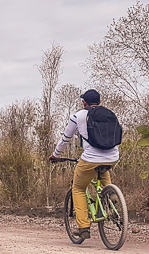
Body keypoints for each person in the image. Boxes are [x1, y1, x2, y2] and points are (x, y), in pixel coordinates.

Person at [48, 89, 119, 240]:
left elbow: (66, 139)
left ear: (84, 103)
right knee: (103, 170)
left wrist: (55, 155)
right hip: (112, 157)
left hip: (90, 159)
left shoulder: (78, 116)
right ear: (99, 102)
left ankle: (84, 227)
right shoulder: (109, 114)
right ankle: (111, 195)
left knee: (79, 189)